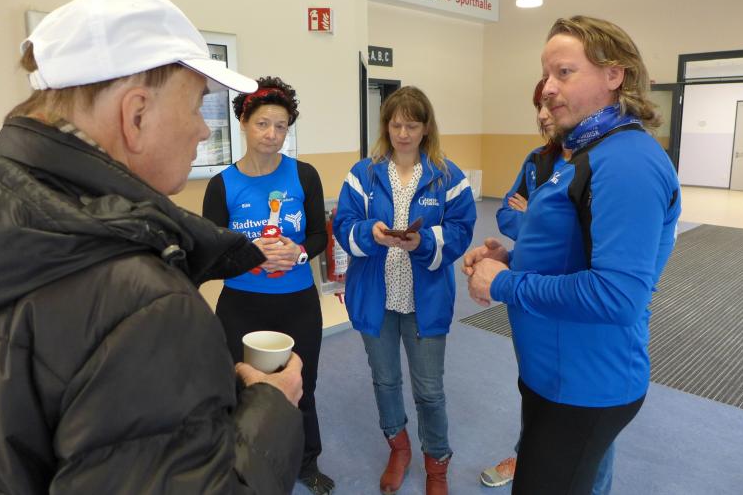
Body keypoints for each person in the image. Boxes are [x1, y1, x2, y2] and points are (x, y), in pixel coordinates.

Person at [0, 0, 305, 495]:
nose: (203, 131)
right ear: (136, 115)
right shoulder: (146, 306)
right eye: (197, 106)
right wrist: (272, 407)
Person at [465, 15, 681, 494]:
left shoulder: (626, 162)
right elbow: (570, 256)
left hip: (586, 384)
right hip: (550, 373)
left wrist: (503, 282)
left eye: (564, 72)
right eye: (546, 74)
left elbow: (617, 296)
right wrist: (511, 259)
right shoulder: (584, 153)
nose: (547, 88)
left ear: (614, 74)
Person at [333, 86, 476, 495]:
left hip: (424, 300)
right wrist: (370, 233)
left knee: (429, 390)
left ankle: (437, 466)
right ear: (386, 126)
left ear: (426, 127)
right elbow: (343, 225)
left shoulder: (448, 176)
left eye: (412, 125)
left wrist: (424, 242)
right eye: (396, 125)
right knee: (385, 381)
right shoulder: (363, 174)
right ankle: (398, 449)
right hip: (375, 298)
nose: (403, 134)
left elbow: (462, 230)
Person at [481, 79, 616, 493]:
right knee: (537, 392)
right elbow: (506, 214)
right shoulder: (538, 161)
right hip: (533, 309)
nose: (543, 114)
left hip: (580, 314)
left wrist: (536, 220)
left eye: (550, 104)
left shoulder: (606, 164)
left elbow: (592, 251)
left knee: (589, 421)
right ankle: (526, 454)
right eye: (538, 106)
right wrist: (529, 233)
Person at [202, 76, 334, 495]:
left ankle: (307, 462)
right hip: (242, 305)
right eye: (262, 124)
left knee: (302, 386)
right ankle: (242, 467)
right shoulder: (222, 185)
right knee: (240, 387)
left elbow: (319, 235)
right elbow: (210, 257)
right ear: (243, 122)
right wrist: (249, 254)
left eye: (281, 126)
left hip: (297, 303)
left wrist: (297, 253)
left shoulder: (304, 176)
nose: (272, 134)